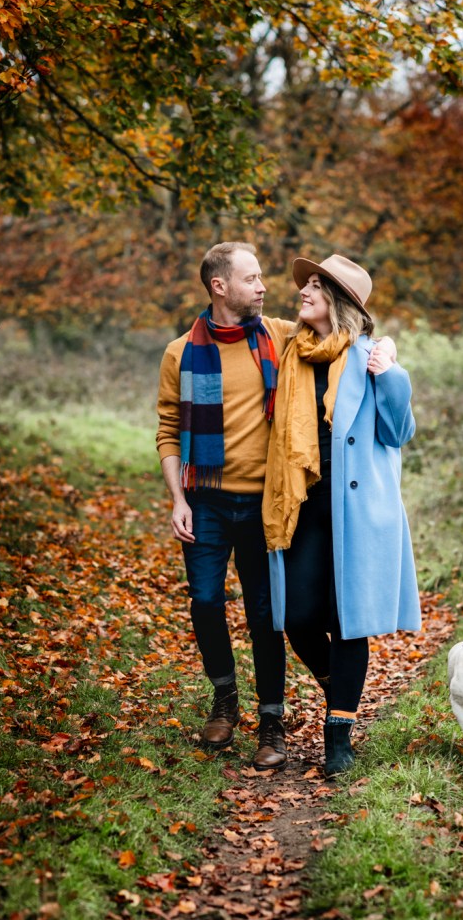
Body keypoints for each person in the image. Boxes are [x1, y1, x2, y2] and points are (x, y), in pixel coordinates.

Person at [262, 254, 421, 778]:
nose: (302, 292)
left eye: (314, 286)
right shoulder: (292, 349)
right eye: (305, 285)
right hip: (304, 504)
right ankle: (340, 688)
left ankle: (339, 736)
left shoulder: (371, 356)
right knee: (300, 618)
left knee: (348, 622)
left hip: (358, 509)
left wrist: (392, 373)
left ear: (339, 301)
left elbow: (398, 433)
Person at [156, 242, 292, 770]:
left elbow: (342, 335)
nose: (262, 286)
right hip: (206, 502)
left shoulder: (278, 335)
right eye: (252, 278)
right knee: (206, 602)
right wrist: (178, 499)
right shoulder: (179, 353)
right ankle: (225, 699)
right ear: (220, 286)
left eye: (261, 277)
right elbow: (168, 430)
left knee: (265, 615)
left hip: (264, 504)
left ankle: (272, 721)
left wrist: (386, 348)